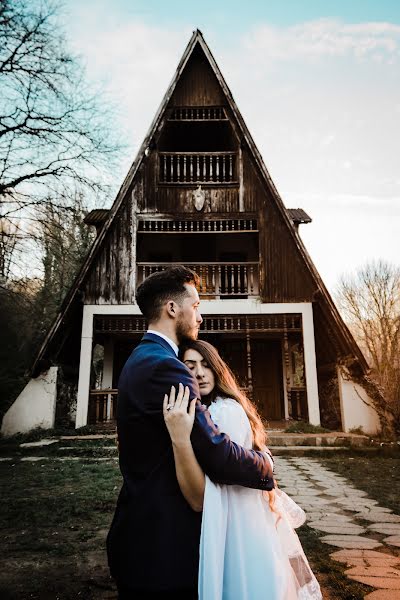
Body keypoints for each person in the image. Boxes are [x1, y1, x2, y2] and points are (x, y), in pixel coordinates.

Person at [107, 266, 275, 599]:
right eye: (196, 305)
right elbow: (215, 451)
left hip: (139, 536)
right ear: (172, 308)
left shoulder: (139, 358)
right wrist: (264, 464)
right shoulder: (165, 367)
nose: (199, 316)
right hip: (164, 548)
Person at [163, 339, 323, 600]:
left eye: (206, 365)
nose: (200, 373)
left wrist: (266, 464)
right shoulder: (205, 412)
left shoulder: (225, 410)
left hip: (238, 518)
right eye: (190, 366)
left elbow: (226, 466)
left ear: (217, 369)